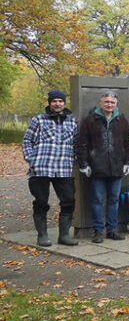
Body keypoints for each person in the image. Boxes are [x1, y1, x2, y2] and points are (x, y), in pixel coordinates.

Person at [22, 89, 79, 247]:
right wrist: (31, 159)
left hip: (63, 169)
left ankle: (64, 235)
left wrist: (73, 160)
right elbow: (27, 141)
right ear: (49, 103)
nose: (57, 104)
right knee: (41, 201)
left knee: (69, 201)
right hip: (41, 168)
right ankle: (42, 235)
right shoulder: (38, 120)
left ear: (64, 103)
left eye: (60, 101)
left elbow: (76, 144)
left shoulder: (72, 122)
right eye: (54, 101)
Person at [76, 91, 129, 243]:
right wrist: (84, 164)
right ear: (100, 102)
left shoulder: (122, 120)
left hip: (116, 166)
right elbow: (82, 144)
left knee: (113, 200)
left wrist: (128, 162)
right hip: (97, 167)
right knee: (97, 200)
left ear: (116, 104)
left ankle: (112, 230)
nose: (109, 105)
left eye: (112, 102)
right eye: (106, 102)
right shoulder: (90, 120)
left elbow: (127, 143)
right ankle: (98, 231)